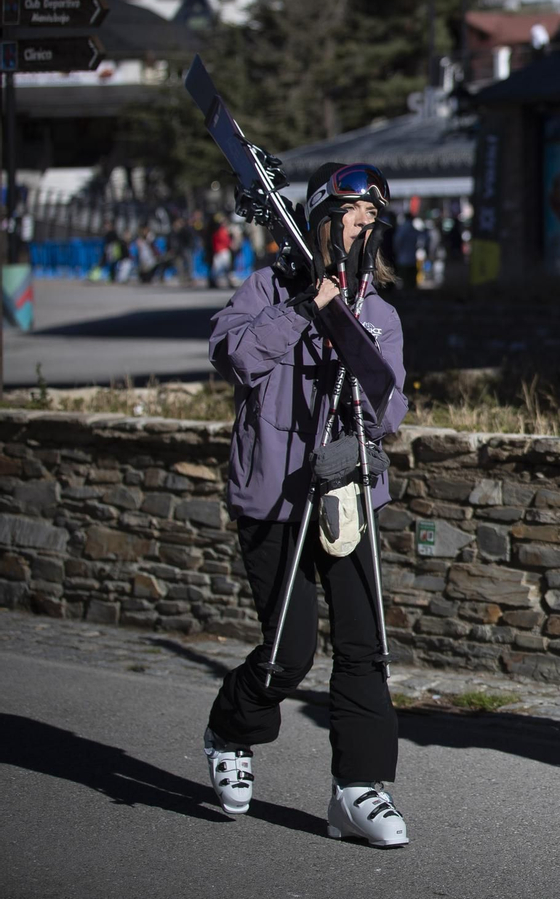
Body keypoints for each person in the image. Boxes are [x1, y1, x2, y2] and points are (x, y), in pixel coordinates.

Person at [202, 162, 411, 847]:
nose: (362, 228)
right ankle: (232, 727)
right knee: (287, 654)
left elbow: (392, 409)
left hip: (348, 493)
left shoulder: (379, 312)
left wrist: (361, 356)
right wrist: (302, 311)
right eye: (352, 216)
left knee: (362, 645)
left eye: (372, 221)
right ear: (320, 220)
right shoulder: (266, 289)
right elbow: (233, 356)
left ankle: (358, 789)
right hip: (275, 497)